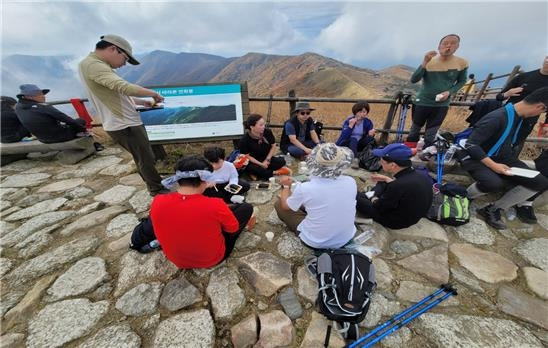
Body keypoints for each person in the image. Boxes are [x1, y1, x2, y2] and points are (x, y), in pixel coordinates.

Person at [79, 34, 167, 196]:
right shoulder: (94, 65)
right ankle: (157, 189)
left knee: (142, 156)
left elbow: (115, 95)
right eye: (124, 58)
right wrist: (153, 94)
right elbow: (123, 87)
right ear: (113, 49)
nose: (123, 64)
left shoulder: (93, 64)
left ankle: (154, 183)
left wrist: (142, 102)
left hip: (122, 121)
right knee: (145, 158)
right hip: (124, 123)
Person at [462, 87, 548, 229]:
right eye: (542, 112)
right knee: (494, 182)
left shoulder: (517, 116)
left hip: (502, 156)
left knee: (540, 182)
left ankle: (493, 208)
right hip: (478, 157)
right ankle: (466, 197)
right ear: (540, 106)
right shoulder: (497, 117)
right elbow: (471, 145)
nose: (539, 114)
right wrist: (493, 166)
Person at [150, 155, 254, 269]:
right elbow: (232, 229)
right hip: (211, 259)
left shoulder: (158, 201)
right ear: (205, 179)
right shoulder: (215, 204)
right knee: (246, 208)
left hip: (177, 260)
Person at [275, 143, 357, 249]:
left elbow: (285, 206)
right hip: (346, 236)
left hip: (316, 241)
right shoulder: (350, 181)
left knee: (279, 204)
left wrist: (285, 187)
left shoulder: (306, 188)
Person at [405, 34, 468, 150]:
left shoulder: (462, 63)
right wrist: (424, 62)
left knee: (431, 133)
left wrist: (449, 92)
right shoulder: (430, 61)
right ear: (439, 47)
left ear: (457, 47)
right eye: (445, 43)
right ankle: (407, 154)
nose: (448, 46)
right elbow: (414, 79)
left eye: (452, 43)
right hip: (422, 101)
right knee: (414, 129)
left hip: (441, 104)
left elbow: (462, 81)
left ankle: (426, 154)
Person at [355, 143, 433, 229]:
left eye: (382, 161)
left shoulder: (398, 185)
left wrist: (373, 197)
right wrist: (386, 179)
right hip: (410, 214)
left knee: (355, 196)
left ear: (392, 165)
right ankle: (368, 194)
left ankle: (368, 194)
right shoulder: (420, 175)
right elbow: (402, 190)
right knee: (383, 182)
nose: (380, 162)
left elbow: (379, 207)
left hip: (395, 221)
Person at [495, 56, 548, 155]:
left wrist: (546, 124)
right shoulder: (524, 77)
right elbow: (499, 96)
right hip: (507, 115)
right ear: (544, 59)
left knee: (514, 146)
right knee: (495, 139)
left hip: (528, 120)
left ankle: (507, 166)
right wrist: (507, 94)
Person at [14, 84, 88, 144]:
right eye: (40, 94)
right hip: (60, 137)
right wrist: (83, 129)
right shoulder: (43, 106)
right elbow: (66, 119)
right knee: (80, 120)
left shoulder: (18, 108)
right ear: (30, 96)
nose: (44, 96)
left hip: (42, 139)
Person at [238, 114, 290, 180]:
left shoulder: (267, 132)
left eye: (264, 124)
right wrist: (261, 164)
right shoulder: (244, 140)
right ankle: (274, 172)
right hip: (254, 161)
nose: (263, 127)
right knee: (249, 168)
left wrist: (267, 160)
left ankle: (259, 174)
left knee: (281, 161)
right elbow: (247, 156)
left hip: (266, 157)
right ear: (252, 127)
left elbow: (273, 146)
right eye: (261, 125)